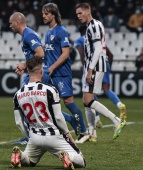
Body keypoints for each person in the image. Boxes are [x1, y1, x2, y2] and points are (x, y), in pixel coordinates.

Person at [9, 12, 80, 145]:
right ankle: (70, 119)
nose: (9, 25)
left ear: (17, 22)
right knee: (39, 105)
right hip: (37, 71)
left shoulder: (28, 34)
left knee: (25, 102)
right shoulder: (27, 34)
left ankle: (29, 137)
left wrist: (25, 64)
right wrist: (25, 67)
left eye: (11, 23)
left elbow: (40, 53)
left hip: (38, 73)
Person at [11, 56, 85, 169]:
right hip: (54, 136)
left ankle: (20, 155)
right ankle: (68, 156)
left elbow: (18, 122)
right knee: (81, 161)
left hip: (34, 137)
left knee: (30, 161)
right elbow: (59, 117)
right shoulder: (50, 90)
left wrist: (30, 136)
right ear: (41, 71)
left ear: (28, 72)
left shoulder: (18, 94)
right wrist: (67, 134)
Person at [75, 2, 126, 141]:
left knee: (89, 100)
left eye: (80, 13)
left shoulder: (95, 25)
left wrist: (90, 70)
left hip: (95, 66)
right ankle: (92, 134)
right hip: (92, 66)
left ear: (88, 11)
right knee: (86, 100)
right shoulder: (90, 26)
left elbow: (98, 49)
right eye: (77, 14)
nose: (78, 16)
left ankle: (116, 120)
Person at [42, 3, 89, 143]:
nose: (44, 16)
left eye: (47, 14)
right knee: (45, 104)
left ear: (54, 15)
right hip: (49, 73)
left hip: (61, 73)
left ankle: (85, 131)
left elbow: (65, 54)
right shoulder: (47, 33)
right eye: (43, 14)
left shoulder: (61, 31)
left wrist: (52, 67)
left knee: (68, 102)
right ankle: (70, 119)